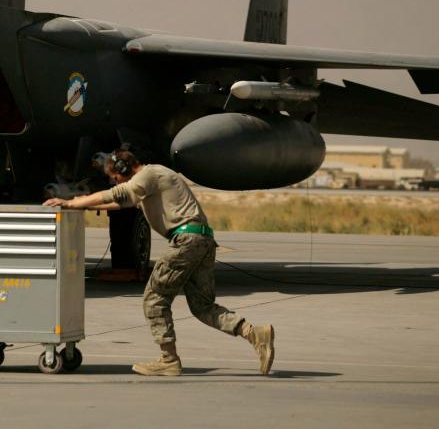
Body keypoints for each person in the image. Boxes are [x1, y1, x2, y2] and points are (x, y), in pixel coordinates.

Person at [44, 148, 275, 376]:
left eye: (114, 176)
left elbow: (118, 194)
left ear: (124, 169)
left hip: (185, 241)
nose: (113, 181)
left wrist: (73, 202)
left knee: (154, 299)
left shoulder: (149, 174)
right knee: (203, 307)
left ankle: (169, 359)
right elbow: (120, 203)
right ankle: (255, 334)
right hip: (201, 240)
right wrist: (80, 204)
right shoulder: (149, 183)